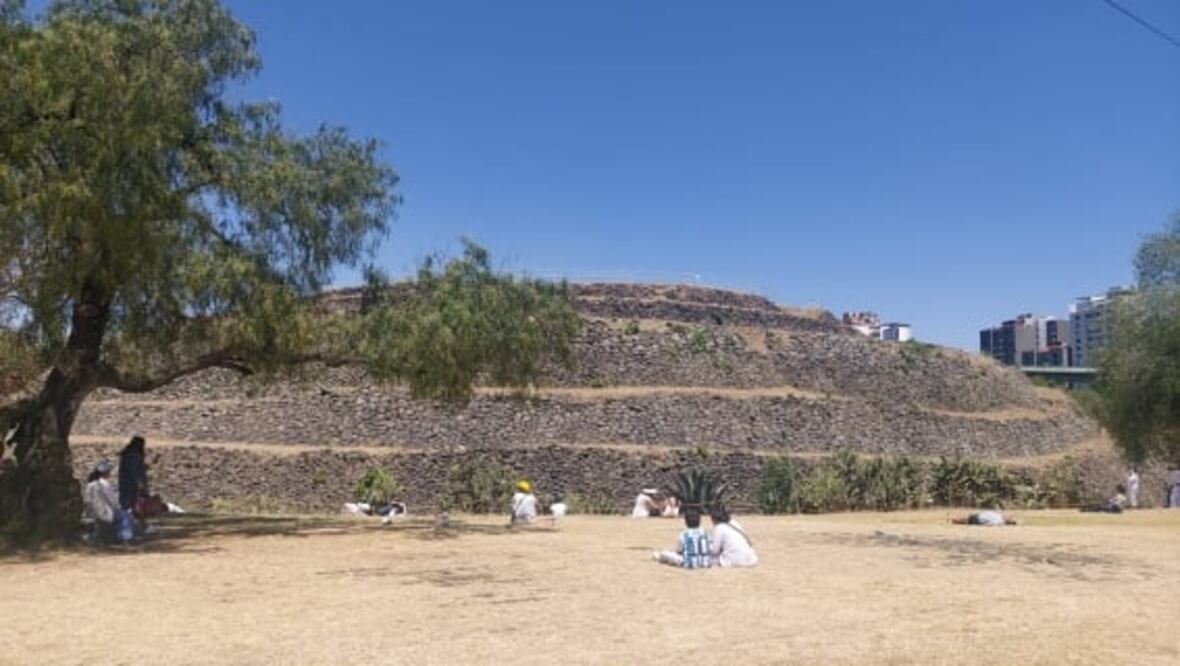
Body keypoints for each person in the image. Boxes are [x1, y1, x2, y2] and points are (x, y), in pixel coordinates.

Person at [82, 460, 120, 543]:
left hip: (93, 512)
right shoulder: (105, 484)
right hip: (105, 511)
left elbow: (87, 499)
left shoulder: (90, 485)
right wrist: (116, 508)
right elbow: (112, 500)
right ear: (106, 473)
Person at [117, 436, 148, 513]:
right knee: (130, 503)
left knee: (126, 502)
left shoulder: (127, 454)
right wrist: (139, 483)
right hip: (131, 484)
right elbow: (134, 470)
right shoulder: (133, 455)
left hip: (125, 482)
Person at [950, 510, 1016, 526]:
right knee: (965, 518)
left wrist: (984, 524)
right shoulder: (1000, 516)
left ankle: (953, 520)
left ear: (1008, 521)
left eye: (1009, 518)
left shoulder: (1000, 521)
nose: (1007, 516)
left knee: (965, 520)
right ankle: (953, 519)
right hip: (980, 515)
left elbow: (990, 524)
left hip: (979, 519)